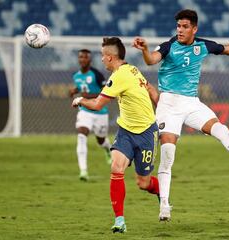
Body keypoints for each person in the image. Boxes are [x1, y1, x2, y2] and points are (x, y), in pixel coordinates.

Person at [133, 9, 229, 221]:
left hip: (191, 103)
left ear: (194, 29)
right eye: (178, 26)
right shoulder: (168, 45)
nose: (180, 30)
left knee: (221, 129)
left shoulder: (203, 45)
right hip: (169, 104)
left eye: (184, 27)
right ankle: (164, 205)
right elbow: (151, 60)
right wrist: (144, 50)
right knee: (168, 153)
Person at [72, 37, 160, 233]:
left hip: (146, 132)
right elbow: (150, 89)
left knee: (143, 183)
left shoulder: (120, 76)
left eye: (103, 56)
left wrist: (79, 100)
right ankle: (119, 220)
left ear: (111, 57)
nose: (102, 60)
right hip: (126, 131)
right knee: (116, 168)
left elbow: (96, 104)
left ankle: (163, 192)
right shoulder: (132, 68)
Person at [69, 49, 112, 181]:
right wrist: (74, 91)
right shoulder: (76, 76)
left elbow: (106, 91)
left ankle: (107, 149)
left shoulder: (97, 74)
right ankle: (83, 171)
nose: (82, 59)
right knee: (82, 135)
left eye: (85, 57)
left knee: (101, 140)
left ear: (90, 60)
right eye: (80, 57)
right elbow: (81, 87)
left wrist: (86, 96)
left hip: (100, 112)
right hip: (85, 111)